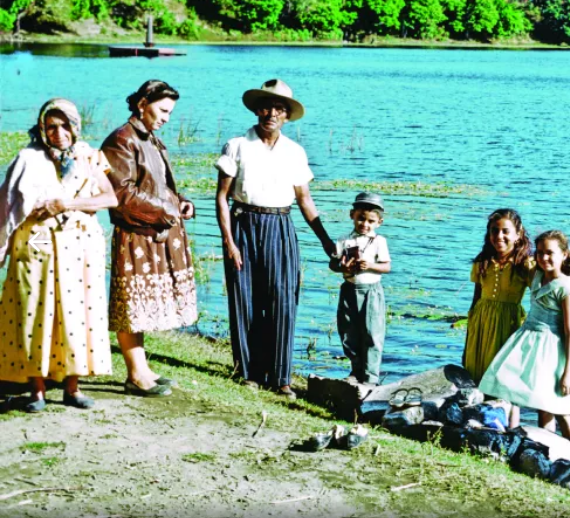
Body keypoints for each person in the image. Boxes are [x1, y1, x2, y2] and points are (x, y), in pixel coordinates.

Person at [216, 79, 336, 400]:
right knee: (244, 298)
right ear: (257, 110)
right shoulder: (236, 145)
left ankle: (281, 378)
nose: (271, 114)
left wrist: (326, 241)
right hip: (244, 225)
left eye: (279, 109)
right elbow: (222, 197)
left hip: (280, 226)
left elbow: (305, 200)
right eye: (266, 107)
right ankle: (248, 373)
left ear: (286, 115)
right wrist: (229, 242)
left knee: (282, 300)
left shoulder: (294, 152)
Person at [0, 99, 117, 411]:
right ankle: (36, 389)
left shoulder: (89, 156)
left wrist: (66, 204)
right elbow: (6, 205)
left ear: (76, 126)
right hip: (35, 246)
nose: (59, 133)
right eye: (51, 127)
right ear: (42, 128)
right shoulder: (27, 158)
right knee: (33, 313)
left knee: (76, 314)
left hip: (79, 247)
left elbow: (110, 198)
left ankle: (72, 387)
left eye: (65, 126)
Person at [101, 80, 198, 397]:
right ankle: (135, 375)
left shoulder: (149, 139)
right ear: (143, 103)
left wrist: (180, 201)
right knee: (131, 304)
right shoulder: (121, 140)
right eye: (163, 110)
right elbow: (120, 194)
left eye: (170, 112)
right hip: (135, 233)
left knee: (142, 305)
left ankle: (142, 369)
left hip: (153, 230)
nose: (167, 118)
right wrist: (166, 210)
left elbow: (159, 184)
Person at [479, 230, 570, 440]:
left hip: (554, 350)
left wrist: (568, 372)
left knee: (560, 408)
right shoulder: (537, 276)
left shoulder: (567, 289)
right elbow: (516, 255)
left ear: (564, 254)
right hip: (530, 344)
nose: (544, 257)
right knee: (539, 401)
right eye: (539, 252)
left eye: (550, 253)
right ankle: (544, 445)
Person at [464, 208, 534, 426]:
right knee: (478, 371)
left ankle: (511, 427)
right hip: (481, 322)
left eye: (505, 231)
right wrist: (470, 329)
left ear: (518, 234)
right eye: (494, 231)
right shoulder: (483, 262)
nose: (499, 236)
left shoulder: (525, 264)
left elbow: (540, 297)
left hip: (508, 323)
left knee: (505, 377)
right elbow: (476, 298)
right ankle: (481, 422)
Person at [329, 192, 391, 385]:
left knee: (372, 332)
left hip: (371, 291)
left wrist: (370, 266)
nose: (365, 224)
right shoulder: (344, 240)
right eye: (361, 219)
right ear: (352, 215)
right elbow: (333, 264)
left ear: (379, 222)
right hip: (349, 289)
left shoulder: (379, 241)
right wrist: (343, 267)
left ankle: (371, 377)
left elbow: (386, 266)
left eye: (370, 221)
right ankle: (356, 371)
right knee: (348, 331)